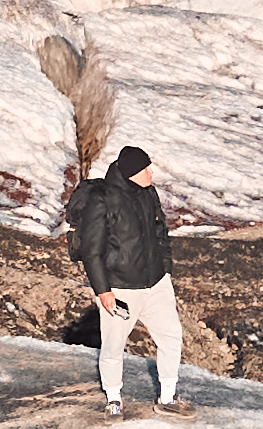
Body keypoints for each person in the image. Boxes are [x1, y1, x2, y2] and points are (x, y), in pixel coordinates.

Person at [70, 141, 185, 414]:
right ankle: (114, 400)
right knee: (113, 346)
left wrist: (165, 269)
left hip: (156, 284)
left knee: (171, 337)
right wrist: (103, 290)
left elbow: (161, 234)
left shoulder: (149, 194)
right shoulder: (103, 199)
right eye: (146, 169)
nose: (151, 173)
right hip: (120, 289)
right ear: (132, 172)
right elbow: (91, 250)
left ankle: (167, 398)